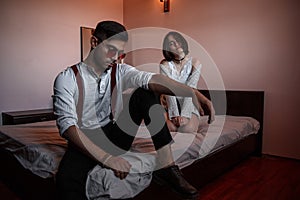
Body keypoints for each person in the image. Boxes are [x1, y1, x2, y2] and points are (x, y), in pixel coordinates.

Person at [53, 21, 215, 200]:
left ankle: (166, 166)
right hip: (85, 137)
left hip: (113, 134)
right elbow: (68, 128)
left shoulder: (120, 71)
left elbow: (153, 79)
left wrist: (192, 93)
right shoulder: (67, 78)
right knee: (66, 181)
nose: (115, 58)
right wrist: (107, 159)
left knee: (146, 91)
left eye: (119, 53)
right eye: (111, 49)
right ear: (94, 42)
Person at [160, 31, 201, 133]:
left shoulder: (195, 63)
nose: (176, 44)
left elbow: (190, 90)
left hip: (189, 104)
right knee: (172, 128)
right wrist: (174, 115)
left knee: (187, 129)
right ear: (168, 49)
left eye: (178, 41)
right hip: (170, 105)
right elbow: (168, 90)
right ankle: (166, 116)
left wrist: (185, 116)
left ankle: (189, 117)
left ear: (182, 42)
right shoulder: (164, 64)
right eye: (171, 43)